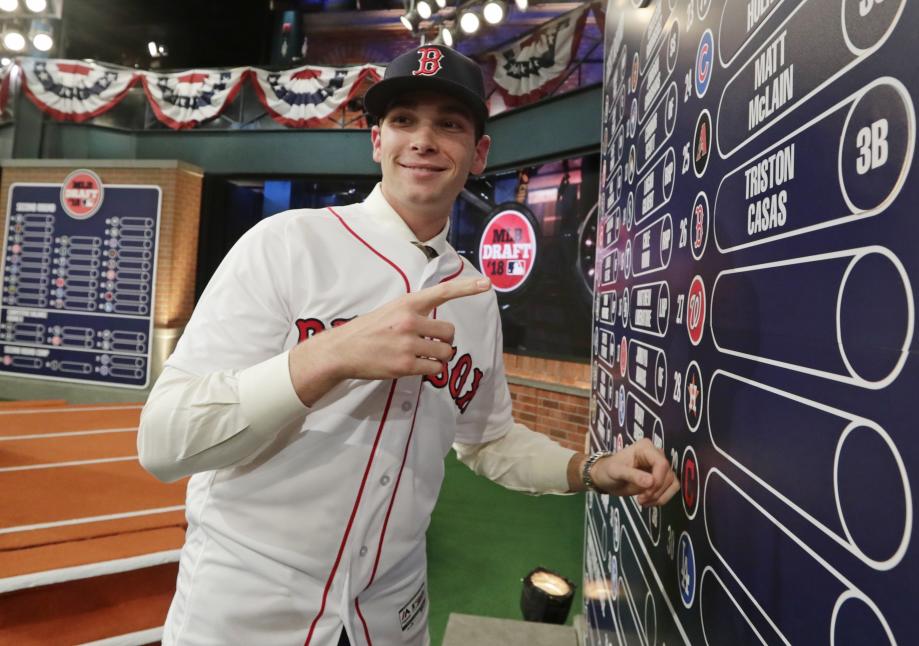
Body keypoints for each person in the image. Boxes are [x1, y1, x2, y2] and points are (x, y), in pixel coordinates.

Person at [138, 44, 678, 646]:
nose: (423, 139)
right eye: (403, 120)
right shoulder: (287, 244)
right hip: (248, 610)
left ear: (478, 155)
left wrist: (591, 469)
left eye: (448, 123)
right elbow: (165, 441)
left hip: (389, 616)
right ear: (377, 141)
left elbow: (488, 440)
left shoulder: (472, 295)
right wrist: (330, 354)